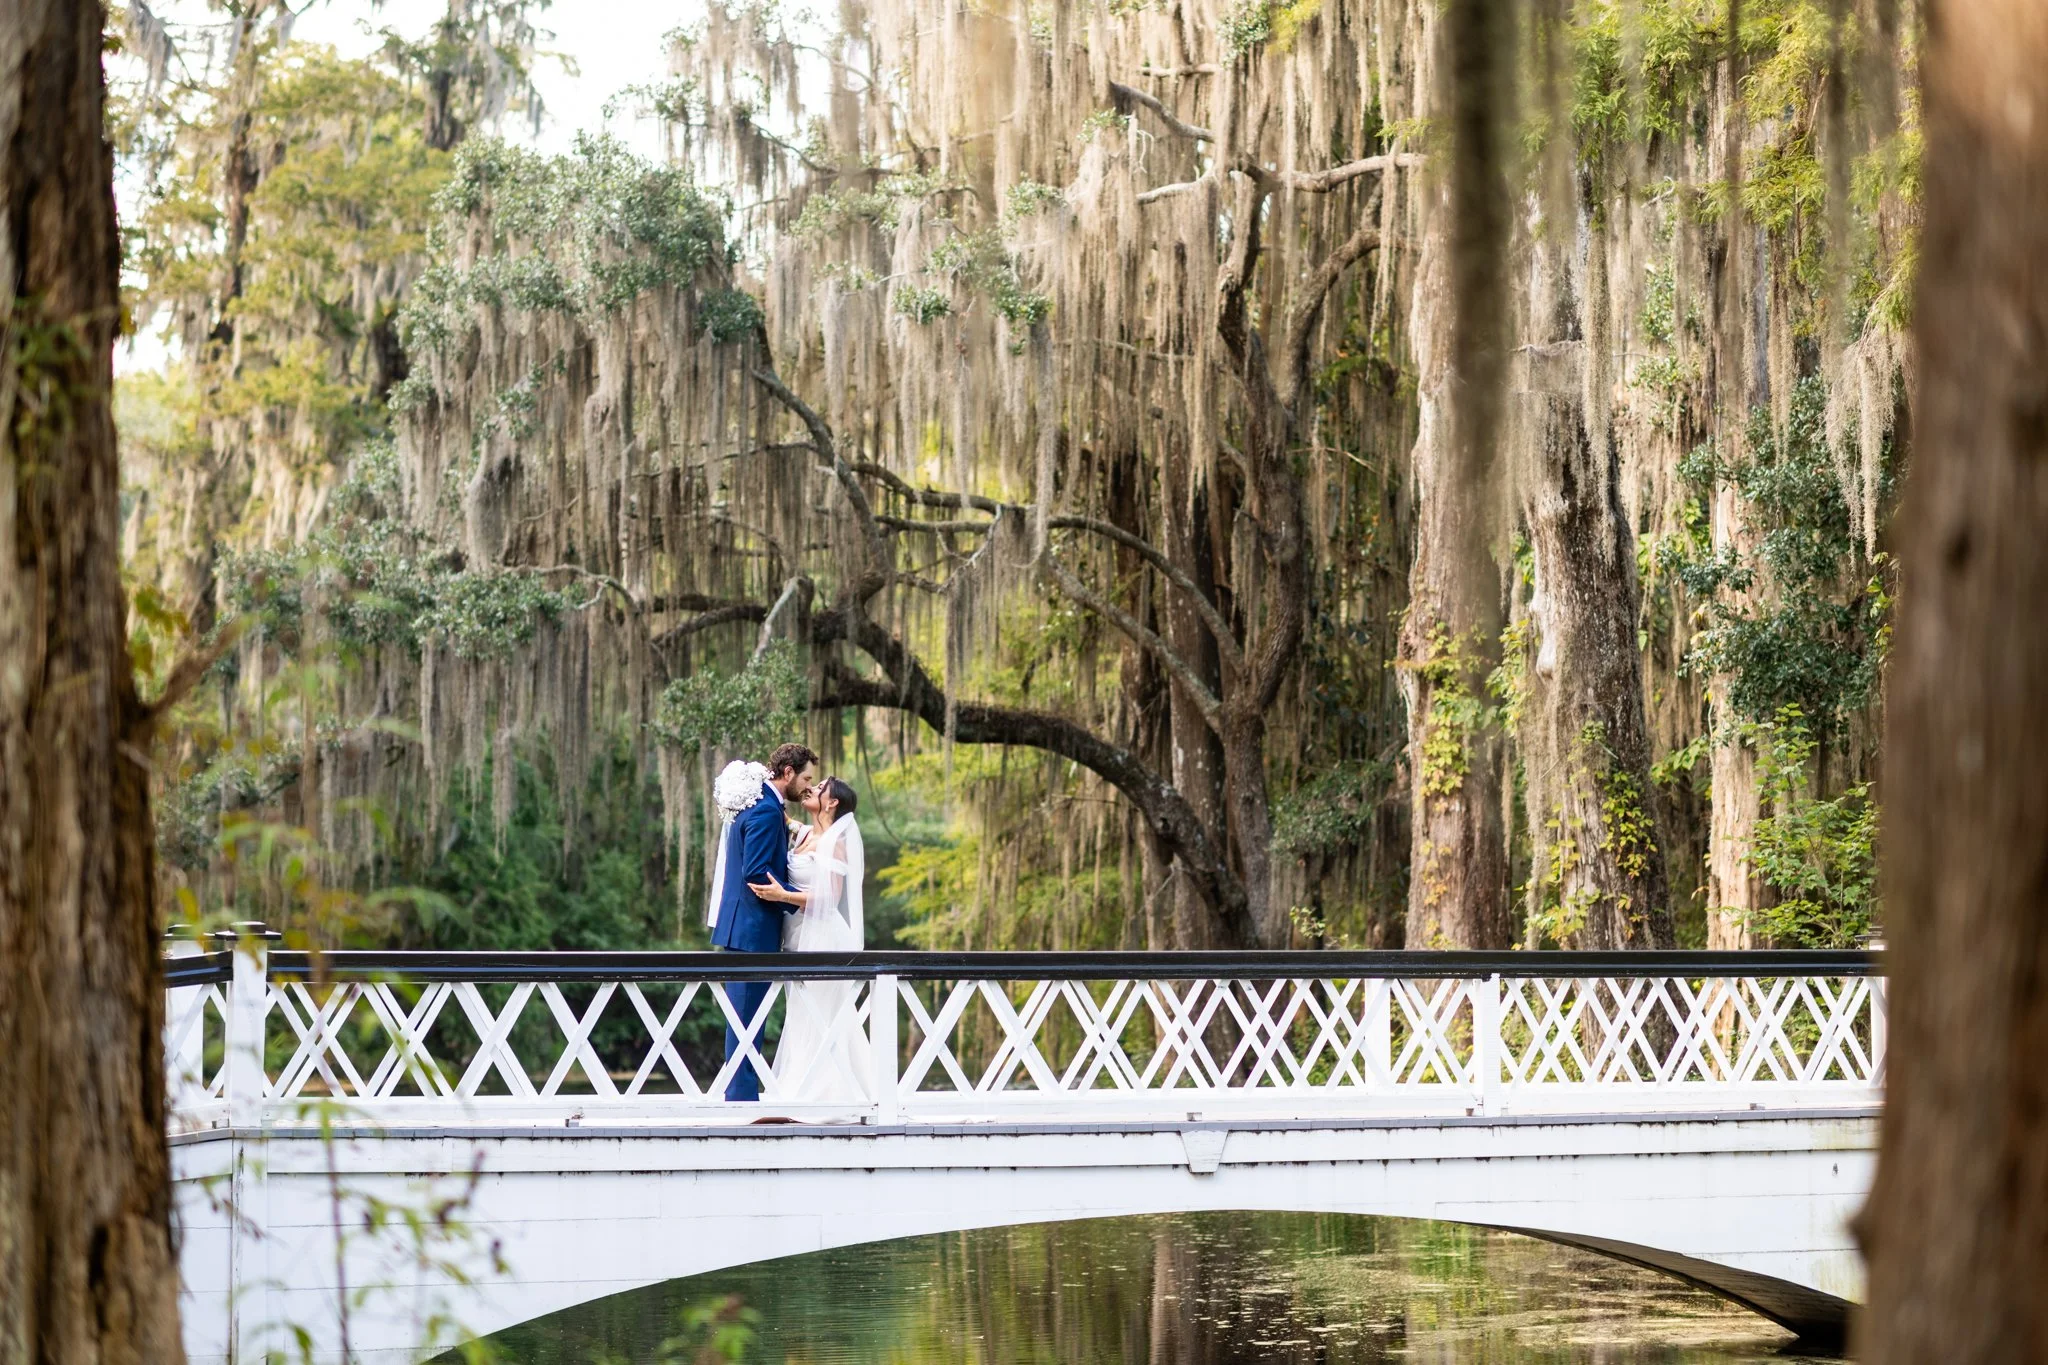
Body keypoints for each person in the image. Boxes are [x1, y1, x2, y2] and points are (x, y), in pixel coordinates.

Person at [750, 776, 869, 1103]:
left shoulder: (836, 844)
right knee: (802, 1012)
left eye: (819, 788)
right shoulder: (803, 833)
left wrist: (782, 894)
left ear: (832, 803)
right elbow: (775, 807)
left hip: (824, 938)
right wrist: (752, 781)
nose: (812, 789)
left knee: (820, 1013)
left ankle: (826, 1093)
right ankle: (800, 1087)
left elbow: (830, 897)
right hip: (799, 934)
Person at [709, 741, 816, 1103]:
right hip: (752, 931)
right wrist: (797, 902)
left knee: (745, 1019)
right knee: (746, 1019)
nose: (807, 786)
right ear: (788, 773)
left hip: (743, 928)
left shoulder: (761, 805)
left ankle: (741, 1095)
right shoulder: (767, 810)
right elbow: (755, 871)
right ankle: (741, 1100)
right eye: (806, 778)